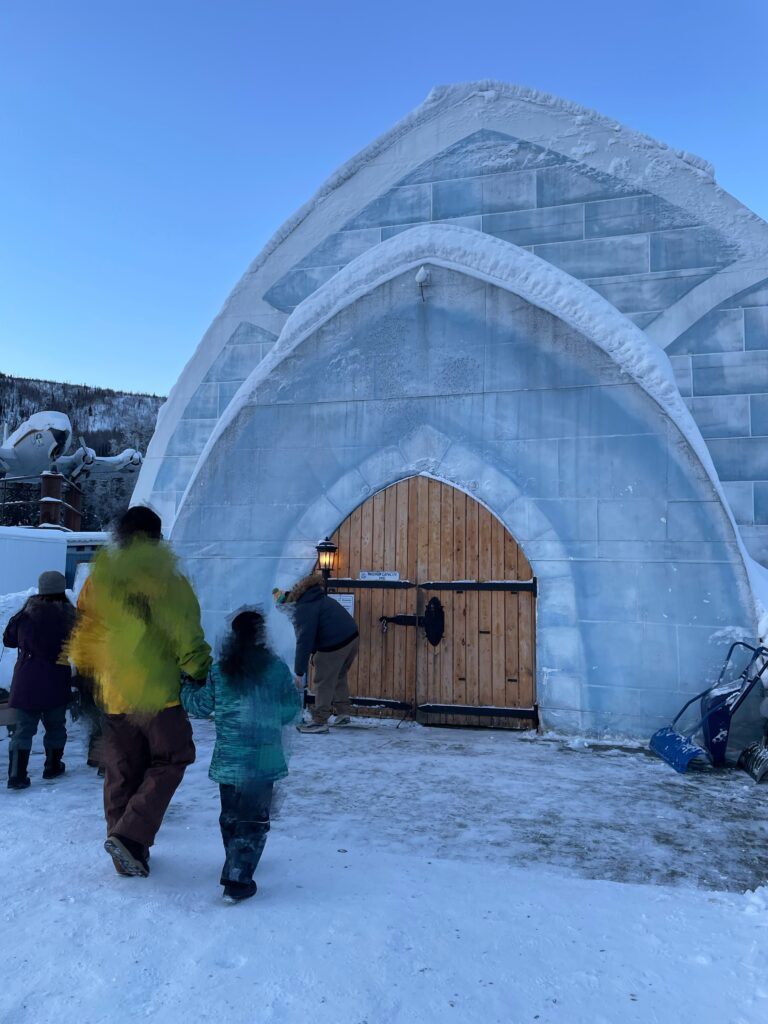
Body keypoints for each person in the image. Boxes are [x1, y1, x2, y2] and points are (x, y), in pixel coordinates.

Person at [67, 505, 212, 877]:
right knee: (173, 758)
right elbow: (186, 633)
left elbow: (84, 628)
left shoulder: (100, 579)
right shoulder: (166, 580)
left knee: (122, 770)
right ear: (156, 537)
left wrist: (87, 673)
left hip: (113, 692)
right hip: (157, 694)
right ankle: (131, 837)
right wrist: (199, 671)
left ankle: (126, 849)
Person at [181, 609, 301, 902]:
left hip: (229, 761)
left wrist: (183, 685)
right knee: (254, 821)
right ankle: (238, 878)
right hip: (263, 761)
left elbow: (198, 706)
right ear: (261, 635)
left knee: (232, 818)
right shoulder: (275, 669)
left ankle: (235, 863)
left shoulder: (220, 671)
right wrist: (269, 717)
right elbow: (291, 709)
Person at [3, 571, 76, 789]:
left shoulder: (26, 614)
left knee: (23, 728)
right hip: (56, 678)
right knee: (55, 725)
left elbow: (8, 639)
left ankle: (17, 775)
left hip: (27, 681)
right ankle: (53, 766)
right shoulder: (70, 616)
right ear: (62, 589)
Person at [275, 573, 359, 734]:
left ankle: (320, 721)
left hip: (336, 642)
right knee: (338, 674)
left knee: (323, 679)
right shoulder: (313, 598)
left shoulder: (303, 608)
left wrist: (299, 672)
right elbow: (314, 633)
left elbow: (304, 640)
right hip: (351, 637)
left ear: (289, 605)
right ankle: (343, 713)